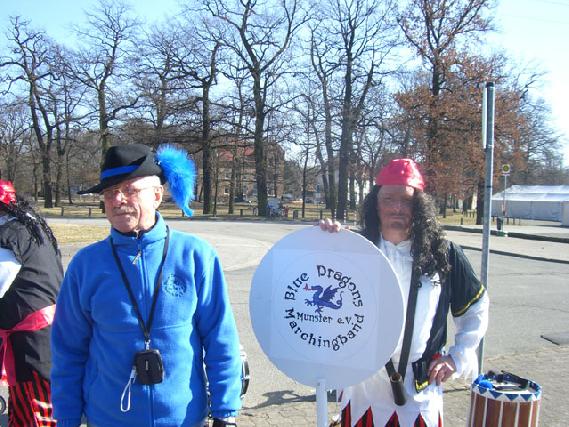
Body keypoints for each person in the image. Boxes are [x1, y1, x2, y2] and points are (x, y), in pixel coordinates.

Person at [51, 143, 242, 427]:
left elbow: (220, 338)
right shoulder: (86, 265)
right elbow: (67, 350)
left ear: (156, 195)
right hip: (108, 418)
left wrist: (226, 411)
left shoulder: (195, 256)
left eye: (129, 189)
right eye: (109, 192)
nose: (117, 199)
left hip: (184, 419)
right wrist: (66, 417)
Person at [321, 159, 489, 427]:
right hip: (365, 386)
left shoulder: (443, 254)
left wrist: (457, 357)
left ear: (419, 206)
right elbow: (320, 287)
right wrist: (326, 241)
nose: (397, 208)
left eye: (407, 200)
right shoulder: (355, 248)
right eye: (388, 199)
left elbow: (476, 308)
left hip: (419, 389)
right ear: (376, 204)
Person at [0, 180, 63, 426]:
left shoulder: (8, 235)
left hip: (32, 339)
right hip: (46, 331)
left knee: (36, 408)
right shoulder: (31, 224)